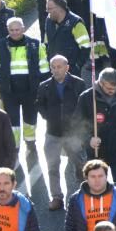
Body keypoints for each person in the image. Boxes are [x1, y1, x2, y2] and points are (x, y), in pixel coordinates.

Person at [36, 54, 86, 211]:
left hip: (73, 133)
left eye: (59, 67)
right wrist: (49, 117)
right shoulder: (44, 86)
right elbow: (40, 105)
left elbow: (84, 105)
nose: (56, 70)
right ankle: (56, 197)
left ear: (67, 67)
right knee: (52, 167)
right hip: (53, 133)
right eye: (53, 67)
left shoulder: (79, 84)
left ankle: (83, 194)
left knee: (80, 164)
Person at [0, 17, 46, 152]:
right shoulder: (1, 45)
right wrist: (3, 85)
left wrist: (39, 86)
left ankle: (30, 142)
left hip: (31, 90)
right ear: (7, 30)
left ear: (23, 28)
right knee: (11, 120)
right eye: (11, 30)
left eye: (17, 29)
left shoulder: (35, 44)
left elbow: (44, 69)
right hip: (9, 91)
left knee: (30, 118)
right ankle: (14, 146)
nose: (15, 32)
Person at [77, 68, 116, 186]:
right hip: (96, 152)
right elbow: (78, 125)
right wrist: (88, 140)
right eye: (109, 88)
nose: (113, 91)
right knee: (96, 187)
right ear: (100, 83)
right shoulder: (86, 97)